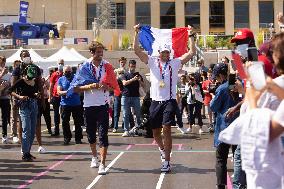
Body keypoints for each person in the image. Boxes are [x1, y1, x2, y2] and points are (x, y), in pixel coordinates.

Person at [134, 24, 196, 172]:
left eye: (168, 52)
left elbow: (192, 53)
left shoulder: (175, 63)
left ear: (170, 53)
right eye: (163, 52)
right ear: (159, 52)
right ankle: (162, 149)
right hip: (155, 101)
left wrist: (192, 37)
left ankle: (167, 161)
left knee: (166, 129)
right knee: (155, 132)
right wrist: (135, 33)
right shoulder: (152, 62)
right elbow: (136, 51)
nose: (165, 55)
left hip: (169, 101)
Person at [74, 41, 115, 175]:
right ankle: (94, 157)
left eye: (101, 52)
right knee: (91, 135)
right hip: (88, 105)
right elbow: (76, 88)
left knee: (103, 135)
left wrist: (106, 87)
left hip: (103, 105)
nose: (100, 54)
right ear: (92, 52)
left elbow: (113, 87)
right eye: (98, 52)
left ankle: (102, 164)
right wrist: (89, 86)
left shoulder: (107, 66)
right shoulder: (84, 67)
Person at [210, 63, 240, 189]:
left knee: (221, 158)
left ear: (221, 75)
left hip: (224, 126)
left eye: (216, 77)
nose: (216, 79)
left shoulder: (221, 88)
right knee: (237, 157)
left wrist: (213, 97)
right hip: (238, 124)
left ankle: (221, 185)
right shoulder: (237, 85)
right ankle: (240, 183)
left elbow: (213, 106)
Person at [8, 53, 43, 161]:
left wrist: (38, 95)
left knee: (32, 130)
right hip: (24, 105)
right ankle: (25, 153)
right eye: (30, 76)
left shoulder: (35, 81)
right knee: (26, 129)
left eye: (34, 77)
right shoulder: (21, 81)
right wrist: (19, 97)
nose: (32, 78)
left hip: (33, 104)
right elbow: (10, 90)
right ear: (26, 73)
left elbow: (38, 89)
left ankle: (27, 151)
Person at [57, 65, 83, 145]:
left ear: (72, 71)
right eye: (66, 72)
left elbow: (80, 90)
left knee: (78, 122)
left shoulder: (76, 78)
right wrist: (67, 92)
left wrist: (74, 90)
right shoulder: (61, 79)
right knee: (65, 122)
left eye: (69, 72)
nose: (68, 73)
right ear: (63, 72)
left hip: (76, 104)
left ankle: (78, 139)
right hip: (65, 104)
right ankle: (67, 138)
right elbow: (59, 91)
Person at [120, 60, 144, 137]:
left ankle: (138, 129)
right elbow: (124, 83)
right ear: (129, 66)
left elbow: (143, 85)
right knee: (126, 114)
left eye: (134, 66)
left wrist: (140, 80)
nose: (133, 67)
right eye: (131, 66)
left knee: (138, 114)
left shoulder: (138, 75)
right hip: (126, 96)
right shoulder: (125, 74)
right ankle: (126, 130)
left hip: (135, 97)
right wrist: (133, 79)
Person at [49, 59, 64, 136]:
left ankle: (65, 130)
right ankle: (56, 130)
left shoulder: (65, 73)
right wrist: (50, 97)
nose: (60, 65)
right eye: (59, 63)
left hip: (64, 97)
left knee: (64, 114)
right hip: (55, 96)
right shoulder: (54, 74)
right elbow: (51, 86)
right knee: (56, 114)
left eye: (62, 63)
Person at [0, 56, 11, 144]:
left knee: (4, 117)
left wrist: (7, 89)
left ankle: (4, 135)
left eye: (4, 62)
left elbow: (10, 86)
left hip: (5, 98)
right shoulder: (3, 73)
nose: (3, 63)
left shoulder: (8, 74)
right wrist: (2, 74)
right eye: (1, 62)